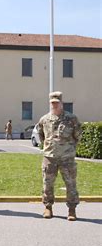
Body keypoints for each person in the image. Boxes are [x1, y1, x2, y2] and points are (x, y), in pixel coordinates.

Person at [37, 91, 81, 221]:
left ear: (62, 103)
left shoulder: (71, 119)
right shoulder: (44, 120)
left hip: (67, 158)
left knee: (71, 184)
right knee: (47, 184)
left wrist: (69, 148)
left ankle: (72, 210)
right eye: (52, 103)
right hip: (49, 157)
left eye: (57, 103)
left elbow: (78, 136)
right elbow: (41, 136)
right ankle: (48, 207)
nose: (54, 105)